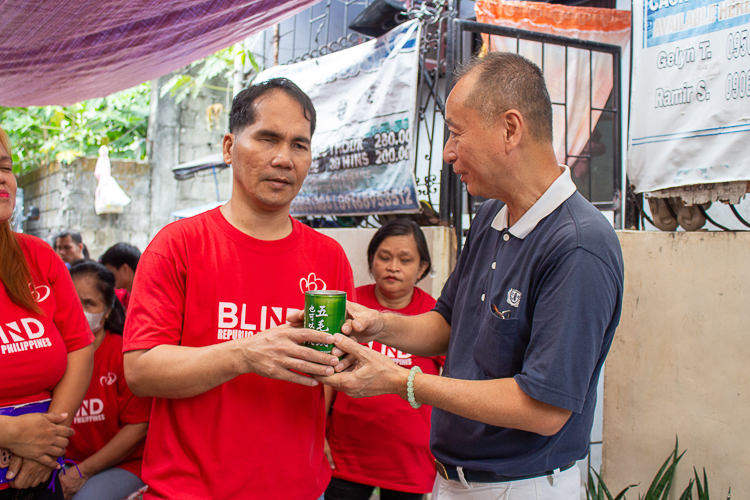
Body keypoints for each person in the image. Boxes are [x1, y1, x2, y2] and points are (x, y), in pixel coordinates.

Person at [317, 52, 624, 500]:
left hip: (522, 487)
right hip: (452, 479)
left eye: (457, 133)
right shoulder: (490, 217)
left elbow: (544, 408)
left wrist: (401, 381)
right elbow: (447, 324)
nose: (447, 153)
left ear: (510, 128)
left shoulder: (578, 244)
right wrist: (375, 324)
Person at [122, 78, 356, 500]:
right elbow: (140, 371)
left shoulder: (330, 257)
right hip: (189, 492)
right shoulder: (177, 245)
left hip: (300, 491)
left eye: (299, 145)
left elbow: (328, 371)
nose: (284, 159)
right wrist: (245, 353)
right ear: (230, 146)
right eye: (267, 138)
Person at [0, 125, 94, 499]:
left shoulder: (37, 256)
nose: (1, 179)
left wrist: (48, 443)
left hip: (37, 477)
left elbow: (79, 348)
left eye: (5, 166)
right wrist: (11, 434)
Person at [325, 219, 443, 500]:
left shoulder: (435, 317)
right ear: (371, 260)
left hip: (409, 460)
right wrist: (320, 435)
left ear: (422, 268)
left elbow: (450, 383)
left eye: (405, 259)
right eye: (384, 257)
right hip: (347, 454)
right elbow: (327, 374)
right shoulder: (350, 306)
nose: (393, 267)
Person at [62, 261, 151, 500]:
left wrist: (82, 471)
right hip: (63, 464)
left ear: (109, 310)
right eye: (71, 302)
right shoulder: (51, 356)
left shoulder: (122, 356)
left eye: (89, 303)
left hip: (122, 464)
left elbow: (138, 426)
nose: (78, 311)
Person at [99, 243, 141, 311]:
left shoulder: (145, 299)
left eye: (110, 272)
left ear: (125, 269)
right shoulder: (126, 296)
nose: (108, 277)